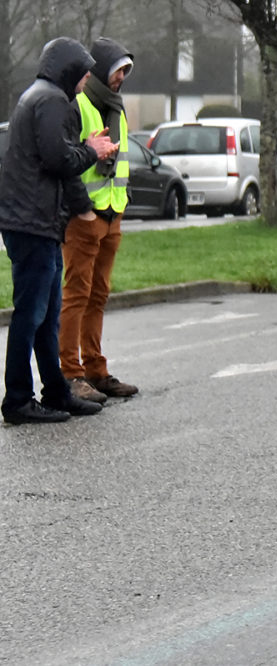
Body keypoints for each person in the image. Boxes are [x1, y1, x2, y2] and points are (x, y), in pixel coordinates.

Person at [0, 37, 117, 425]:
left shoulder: (39, 96)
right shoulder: (51, 100)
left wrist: (83, 150)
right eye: (83, 73)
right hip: (33, 222)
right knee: (31, 314)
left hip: (35, 222)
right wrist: (92, 151)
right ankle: (18, 399)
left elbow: (54, 155)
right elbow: (59, 159)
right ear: (68, 70)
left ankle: (56, 391)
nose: (86, 80)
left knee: (46, 314)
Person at [60, 37, 139, 403]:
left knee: (98, 294)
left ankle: (95, 370)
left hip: (111, 214)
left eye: (125, 72)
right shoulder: (77, 106)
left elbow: (121, 161)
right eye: (117, 71)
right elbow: (67, 162)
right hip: (84, 217)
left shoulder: (117, 109)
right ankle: (70, 373)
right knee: (77, 295)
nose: (121, 78)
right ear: (101, 70)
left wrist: (120, 205)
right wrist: (84, 209)